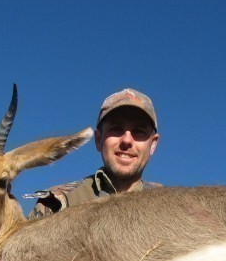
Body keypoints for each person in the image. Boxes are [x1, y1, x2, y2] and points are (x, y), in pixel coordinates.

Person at [27, 88, 161, 218]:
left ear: (153, 144)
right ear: (98, 140)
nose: (126, 140)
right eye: (116, 129)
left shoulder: (172, 207)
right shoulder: (55, 204)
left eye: (139, 132)